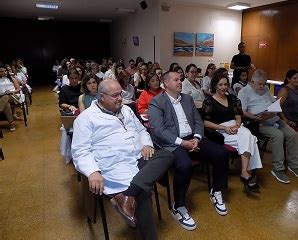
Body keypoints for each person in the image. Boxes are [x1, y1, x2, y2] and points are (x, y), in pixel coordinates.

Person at [71, 79, 173, 239]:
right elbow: (80, 150)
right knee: (143, 193)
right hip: (114, 166)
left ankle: (126, 196)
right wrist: (92, 172)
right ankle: (137, 203)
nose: (120, 98)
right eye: (115, 95)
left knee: (167, 154)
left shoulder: (126, 110)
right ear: (102, 97)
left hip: (139, 157)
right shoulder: (86, 119)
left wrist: (146, 144)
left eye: (121, 94)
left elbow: (141, 129)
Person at [148, 71, 229, 231]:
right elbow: (158, 130)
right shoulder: (156, 102)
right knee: (184, 165)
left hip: (193, 138)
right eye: (176, 80)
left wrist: (197, 138)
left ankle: (216, 190)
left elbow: (198, 121)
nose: (180, 82)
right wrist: (182, 143)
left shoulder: (187, 98)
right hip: (173, 142)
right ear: (165, 83)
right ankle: (178, 206)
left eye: (180, 79)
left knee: (221, 153)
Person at [238, 69, 298, 184]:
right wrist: (256, 117)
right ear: (253, 81)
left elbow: (274, 102)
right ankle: (278, 169)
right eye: (260, 84)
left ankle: (294, 165)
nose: (262, 86)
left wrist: (274, 110)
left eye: (264, 84)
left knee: (292, 134)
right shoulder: (244, 92)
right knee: (278, 135)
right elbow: (243, 112)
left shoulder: (265, 89)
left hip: (273, 118)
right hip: (258, 122)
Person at [202, 74, 262, 192]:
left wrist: (237, 125)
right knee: (252, 139)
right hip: (220, 130)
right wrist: (224, 128)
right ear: (215, 86)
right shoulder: (209, 101)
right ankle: (247, 172)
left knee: (247, 135)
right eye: (220, 85)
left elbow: (238, 116)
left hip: (236, 126)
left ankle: (244, 171)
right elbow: (205, 123)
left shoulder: (233, 99)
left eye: (225, 84)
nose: (224, 87)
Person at [0, 64, 18, 131]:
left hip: (13, 96)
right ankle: (11, 124)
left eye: (5, 71)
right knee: (6, 105)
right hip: (1, 98)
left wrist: (10, 92)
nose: (4, 72)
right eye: (1, 71)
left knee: (6, 97)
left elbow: (18, 89)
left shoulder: (12, 79)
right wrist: (3, 93)